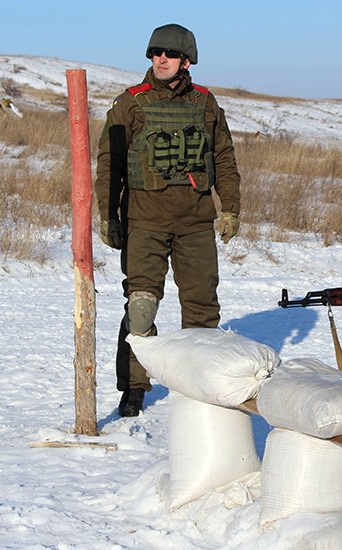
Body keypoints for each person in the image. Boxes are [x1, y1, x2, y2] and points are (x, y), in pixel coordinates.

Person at [94, 23, 241, 417]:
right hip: (145, 221)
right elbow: (110, 162)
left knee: (202, 308)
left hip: (195, 222)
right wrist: (108, 216)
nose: (161, 59)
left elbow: (224, 157)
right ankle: (134, 388)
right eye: (156, 53)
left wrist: (230, 208)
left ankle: (198, 384)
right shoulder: (130, 103)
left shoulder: (206, 103)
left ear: (186, 60)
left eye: (170, 54)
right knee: (141, 307)